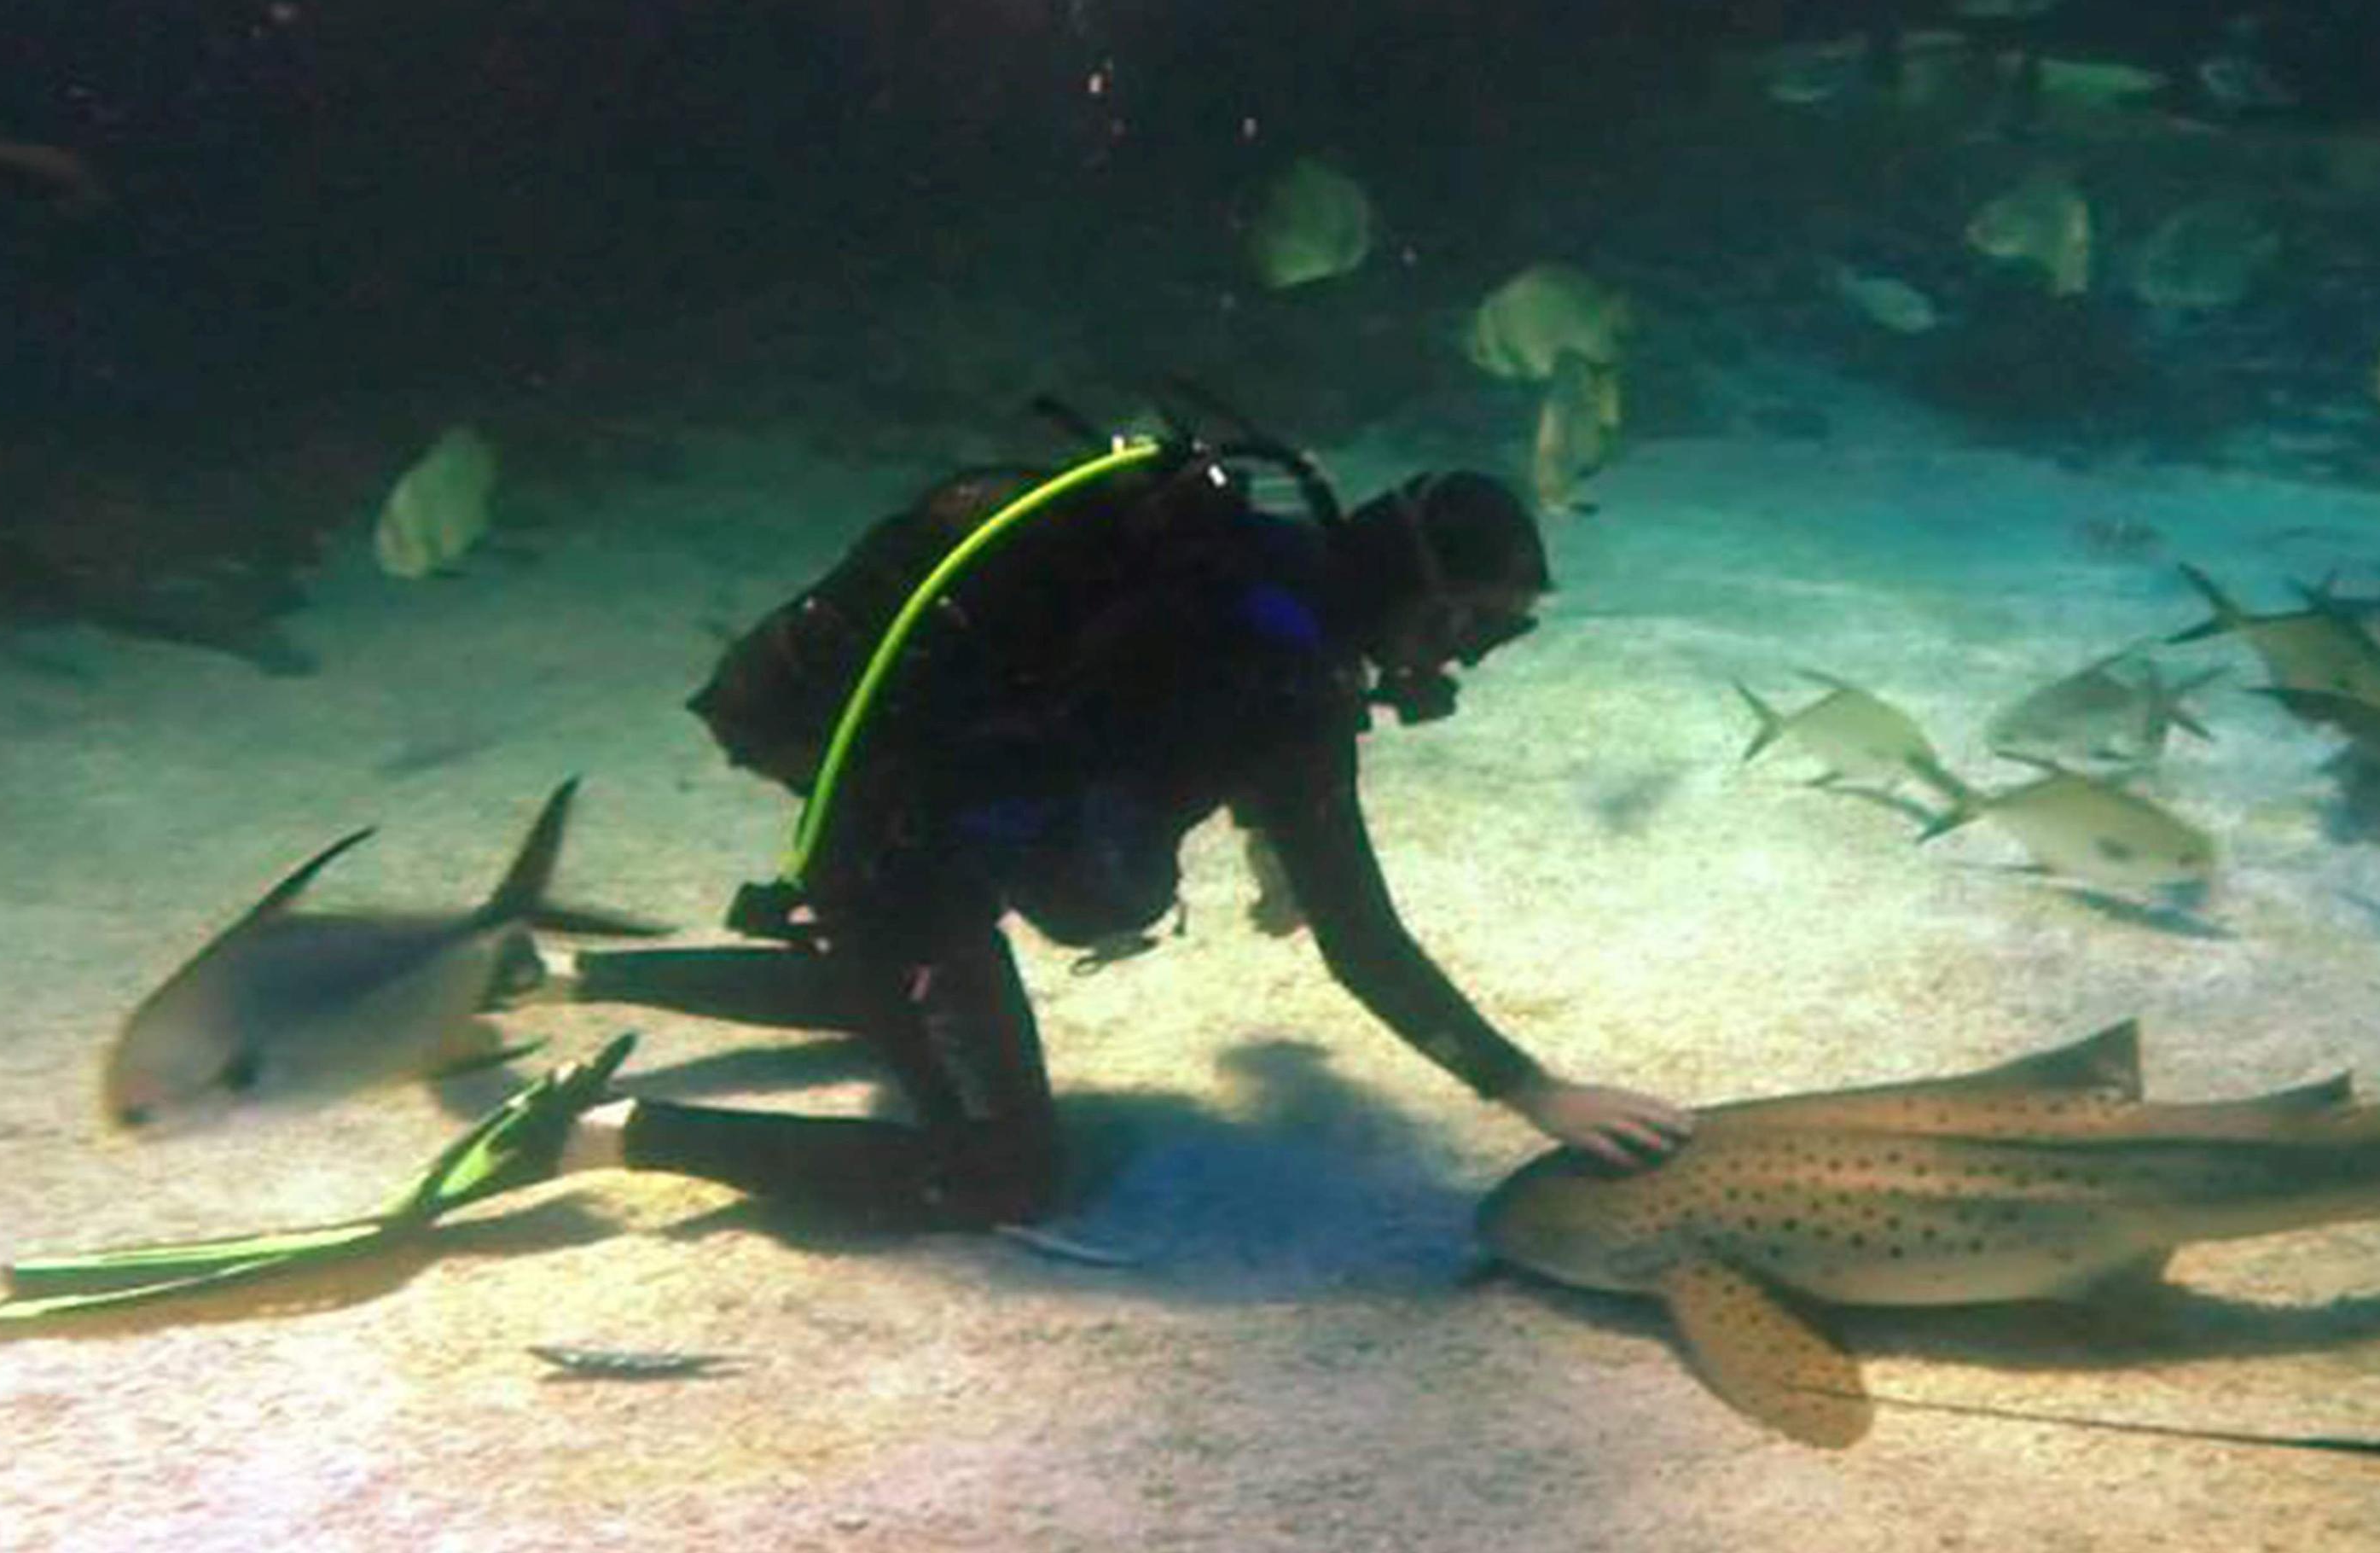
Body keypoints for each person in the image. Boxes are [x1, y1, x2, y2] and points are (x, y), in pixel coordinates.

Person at [528, 417, 1692, 1228]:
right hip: (898, 842)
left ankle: (560, 973)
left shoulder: (1251, 576)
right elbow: (1360, 939)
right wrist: (1530, 1089)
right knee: (999, 1178)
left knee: (895, 991)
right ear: (1427, 598)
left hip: (841, 749)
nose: (1472, 663)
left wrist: (1262, 835)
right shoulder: (1288, 684)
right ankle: (596, 1136)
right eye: (1484, 629)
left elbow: (1164, 718)